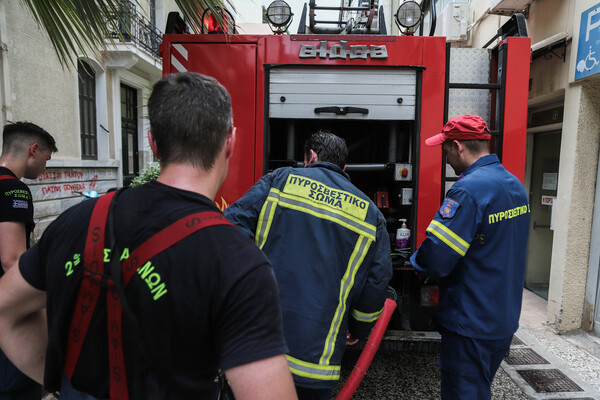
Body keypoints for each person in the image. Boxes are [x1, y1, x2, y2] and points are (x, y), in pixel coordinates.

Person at [0, 72, 297, 400]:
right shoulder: (241, 264)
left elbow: (5, 310)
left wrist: (62, 381)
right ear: (230, 141)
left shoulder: (74, 222)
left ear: (153, 142)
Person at [224, 130, 393, 400]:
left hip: (257, 350)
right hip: (316, 365)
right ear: (344, 168)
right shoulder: (370, 213)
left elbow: (229, 228)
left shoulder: (279, 181)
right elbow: (378, 281)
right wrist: (358, 328)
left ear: (310, 157)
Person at [410, 114, 530, 400]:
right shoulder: (514, 186)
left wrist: (415, 262)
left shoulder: (468, 190)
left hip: (471, 321)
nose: (446, 157)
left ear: (458, 147)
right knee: (478, 389)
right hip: (501, 318)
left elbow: (437, 257)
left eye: (445, 149)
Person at [0, 121, 57, 399]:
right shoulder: (14, 190)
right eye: (46, 159)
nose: (45, 167)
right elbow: (12, 261)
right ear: (33, 150)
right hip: (7, 315)